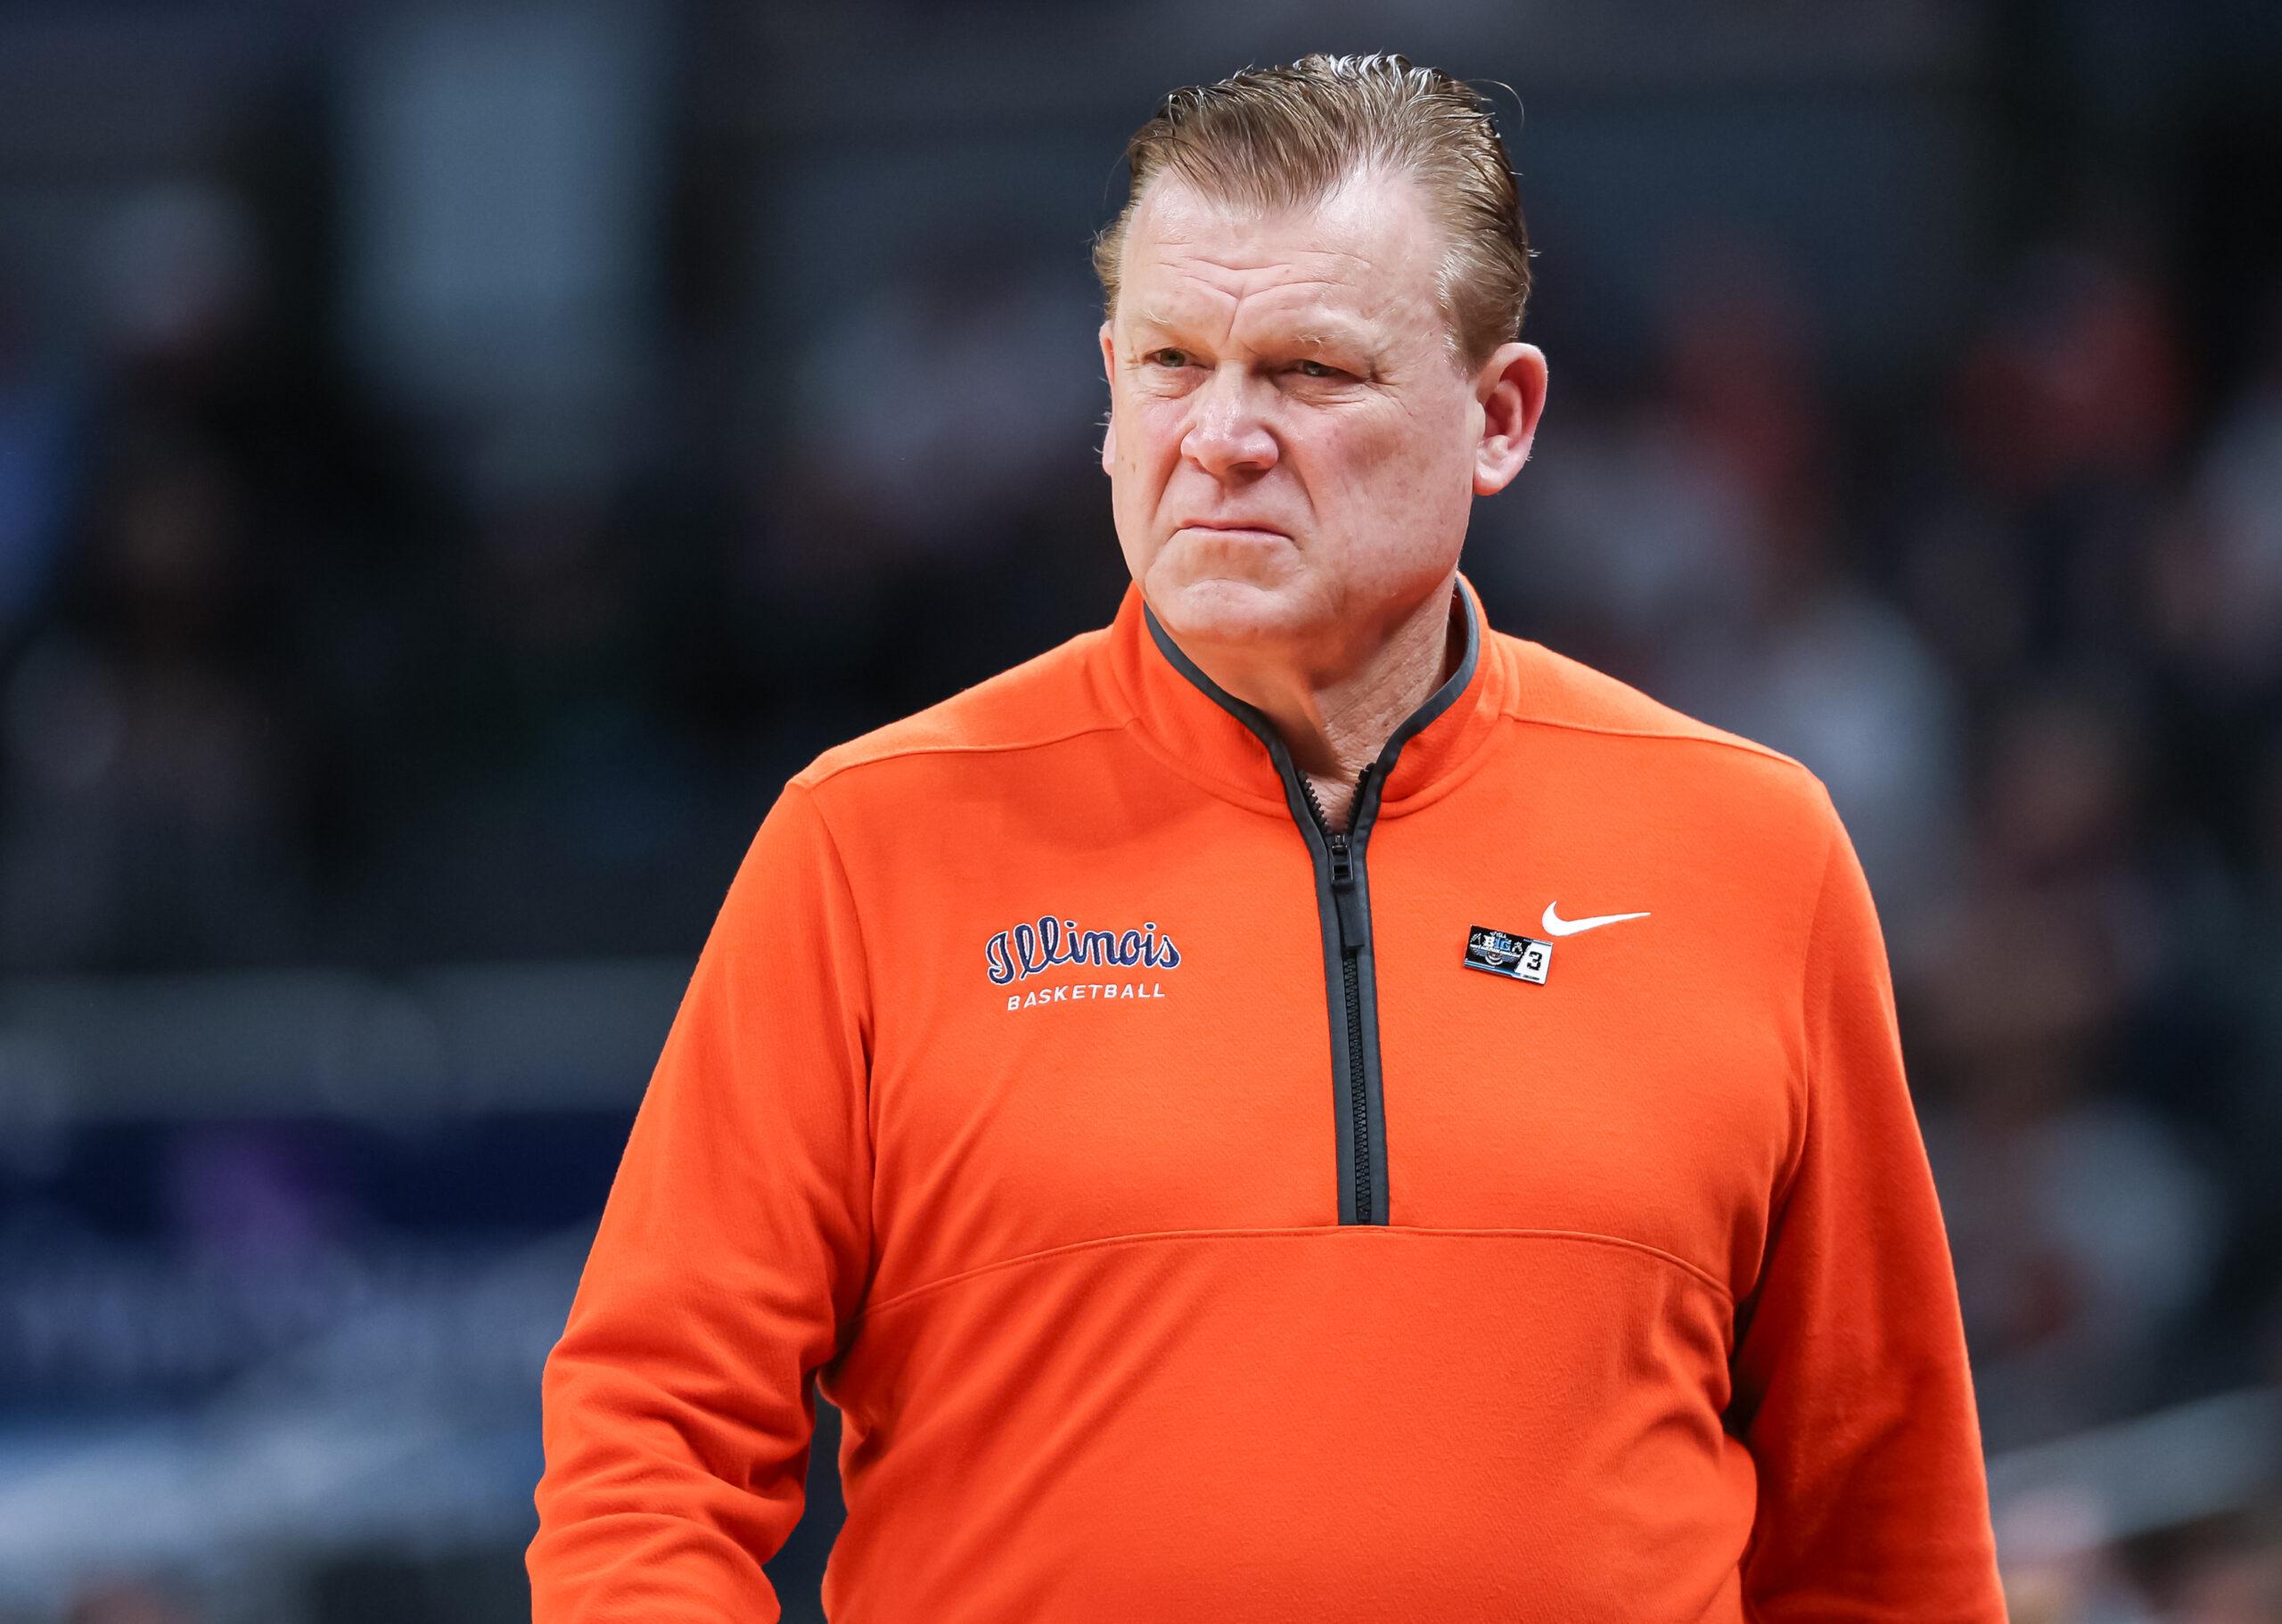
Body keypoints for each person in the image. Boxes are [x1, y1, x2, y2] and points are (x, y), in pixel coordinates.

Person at [528, 53, 2006, 1620]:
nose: (1221, 435)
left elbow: (1884, 1531)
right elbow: (648, 1447)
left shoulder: (1750, 849)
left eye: (1309, 371)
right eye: (1173, 362)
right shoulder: (867, 841)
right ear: (1111, 392)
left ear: (1500, 416)